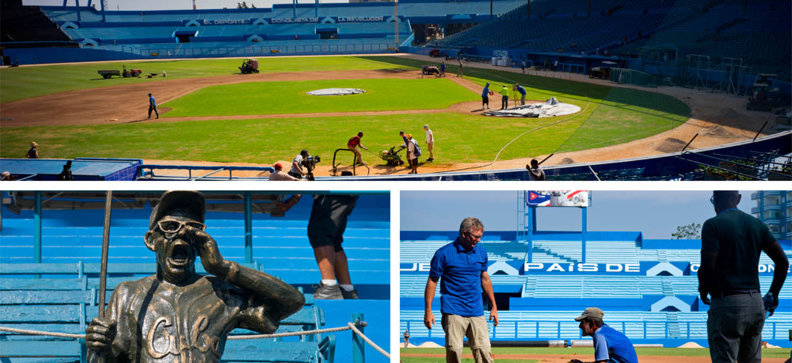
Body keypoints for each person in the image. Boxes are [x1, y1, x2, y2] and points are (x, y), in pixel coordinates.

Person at [84, 191, 305, 362]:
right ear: (152, 240)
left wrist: (222, 267)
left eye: (193, 228)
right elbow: (109, 359)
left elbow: (293, 301)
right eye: (170, 227)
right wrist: (99, 347)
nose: (182, 235)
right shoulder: (128, 294)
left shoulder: (220, 293)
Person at [698, 191, 788, 363]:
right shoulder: (757, 225)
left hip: (727, 302)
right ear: (738, 199)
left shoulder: (713, 225)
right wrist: (773, 294)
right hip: (755, 303)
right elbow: (783, 262)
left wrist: (703, 289)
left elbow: (708, 265)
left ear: (714, 200)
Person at [424, 217, 497, 363]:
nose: (479, 240)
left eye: (481, 237)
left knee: (484, 350)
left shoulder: (481, 253)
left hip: (476, 310)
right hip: (453, 310)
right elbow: (432, 281)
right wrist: (428, 311)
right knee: (454, 350)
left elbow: (485, 279)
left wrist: (494, 307)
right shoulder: (443, 253)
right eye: (476, 237)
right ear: (464, 234)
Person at [307, 194, 360, 299]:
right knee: (333, 239)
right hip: (344, 192)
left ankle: (329, 287)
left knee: (320, 233)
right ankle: (346, 289)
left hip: (333, 194)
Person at [569, 307, 638, 363]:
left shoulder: (599, 335)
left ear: (592, 323)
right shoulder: (607, 331)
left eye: (582, 323)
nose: (580, 326)